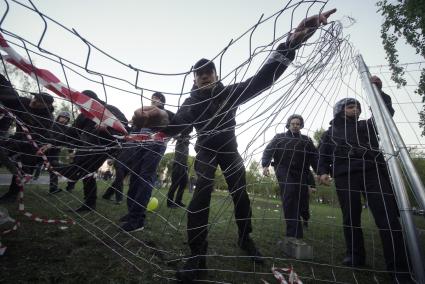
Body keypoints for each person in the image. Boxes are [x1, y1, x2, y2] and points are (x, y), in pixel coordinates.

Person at [133, 9, 336, 282]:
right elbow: (179, 125)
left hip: (230, 151)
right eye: (199, 74)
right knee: (200, 195)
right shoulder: (191, 102)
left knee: (240, 194)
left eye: (209, 72)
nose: (204, 76)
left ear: (215, 75)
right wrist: (161, 121)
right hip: (205, 152)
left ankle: (245, 237)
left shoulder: (229, 93)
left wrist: (292, 42)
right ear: (193, 79)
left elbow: (263, 79)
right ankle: (197, 255)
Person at [317, 82, 411, 282]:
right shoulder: (329, 133)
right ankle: (355, 255)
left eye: (357, 106)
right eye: (350, 106)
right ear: (340, 110)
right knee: (351, 217)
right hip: (344, 175)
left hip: (373, 172)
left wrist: (379, 93)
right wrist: (323, 172)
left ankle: (399, 266)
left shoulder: (366, 125)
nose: (356, 109)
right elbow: (322, 155)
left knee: (387, 216)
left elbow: (384, 115)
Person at [52, 90, 128, 212]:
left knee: (81, 169)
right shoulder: (84, 114)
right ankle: (89, 203)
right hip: (86, 146)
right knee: (87, 174)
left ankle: (57, 168)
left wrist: (108, 127)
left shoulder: (110, 109)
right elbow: (72, 131)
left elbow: (124, 126)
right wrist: (52, 144)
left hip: (104, 147)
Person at [118, 92, 174, 232]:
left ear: (162, 102)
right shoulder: (143, 116)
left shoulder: (166, 113)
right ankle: (132, 213)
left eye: (157, 99)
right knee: (134, 177)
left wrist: (171, 133)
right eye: (152, 99)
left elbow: (177, 123)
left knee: (144, 178)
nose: (154, 101)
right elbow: (134, 129)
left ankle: (137, 220)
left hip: (155, 146)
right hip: (139, 145)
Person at [262, 114, 318, 240]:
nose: (295, 126)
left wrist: (320, 172)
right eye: (293, 123)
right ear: (288, 124)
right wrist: (265, 165)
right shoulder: (279, 137)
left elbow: (315, 157)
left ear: (301, 125)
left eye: (298, 124)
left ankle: (305, 218)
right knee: (290, 191)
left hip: (301, 172)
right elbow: (269, 150)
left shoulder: (306, 140)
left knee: (302, 198)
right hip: (283, 168)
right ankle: (294, 233)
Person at [0, 74, 54, 202]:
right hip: (16, 137)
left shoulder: (47, 120)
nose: (34, 101)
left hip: (32, 144)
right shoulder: (23, 102)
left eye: (38, 101)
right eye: (35, 97)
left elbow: (42, 136)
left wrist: (48, 144)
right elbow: (8, 96)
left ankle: (12, 195)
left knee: (23, 167)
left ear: (45, 106)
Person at [167, 127, 192, 208]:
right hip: (178, 164)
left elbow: (189, 137)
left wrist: (187, 137)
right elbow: (175, 135)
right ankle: (169, 203)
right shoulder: (179, 137)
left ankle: (178, 201)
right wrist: (180, 135)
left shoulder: (187, 140)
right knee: (175, 184)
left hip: (184, 165)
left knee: (183, 183)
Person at [47, 111, 72, 194]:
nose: (64, 119)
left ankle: (53, 188)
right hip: (45, 148)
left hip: (55, 151)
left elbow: (68, 141)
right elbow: (48, 134)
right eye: (62, 117)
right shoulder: (52, 125)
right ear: (58, 117)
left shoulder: (67, 129)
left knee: (54, 168)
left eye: (66, 118)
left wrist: (70, 151)